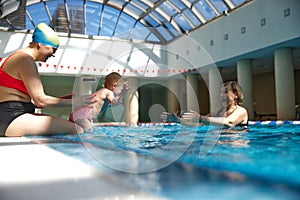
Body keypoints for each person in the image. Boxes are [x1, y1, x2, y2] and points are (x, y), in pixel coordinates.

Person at [0, 23, 95, 137]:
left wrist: (60, 100)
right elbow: (41, 100)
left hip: (10, 115)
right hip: (11, 118)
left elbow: (35, 101)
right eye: (53, 49)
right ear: (40, 44)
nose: (54, 54)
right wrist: (76, 102)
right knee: (77, 129)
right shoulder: (25, 59)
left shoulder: (13, 58)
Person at [162, 81, 248, 130]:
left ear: (235, 94)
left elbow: (230, 122)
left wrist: (201, 118)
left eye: (225, 92)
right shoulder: (218, 112)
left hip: (236, 147)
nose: (222, 95)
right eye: (221, 92)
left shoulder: (241, 111)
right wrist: (178, 120)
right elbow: (199, 124)